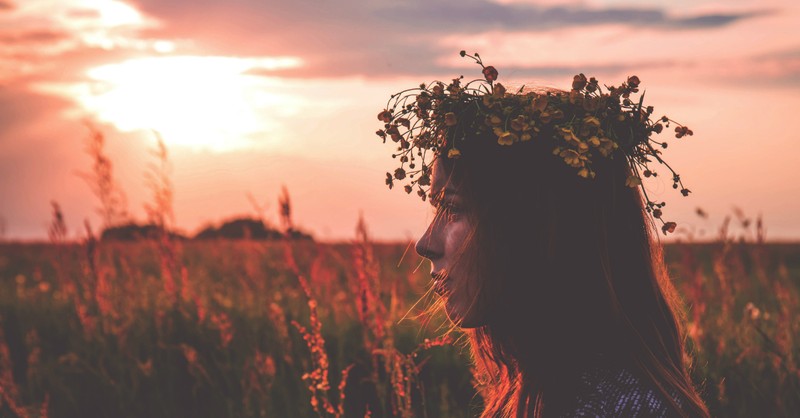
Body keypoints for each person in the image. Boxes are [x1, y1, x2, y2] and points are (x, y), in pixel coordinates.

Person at [376, 52, 710, 417]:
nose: (425, 244)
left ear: (530, 228)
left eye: (454, 209)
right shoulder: (556, 390)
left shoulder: (619, 407)